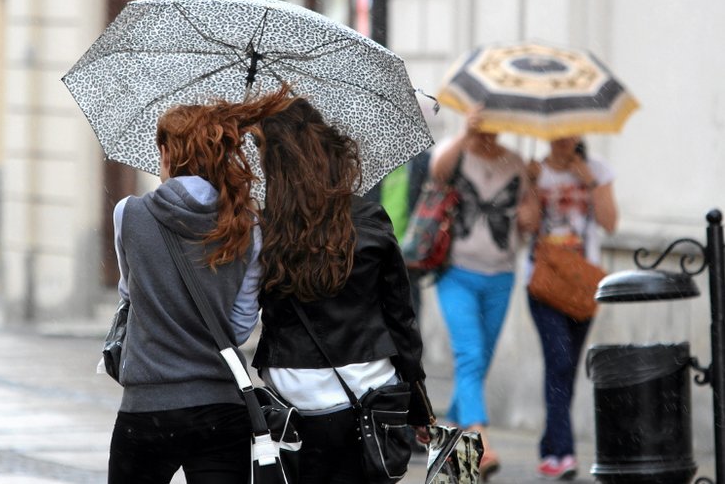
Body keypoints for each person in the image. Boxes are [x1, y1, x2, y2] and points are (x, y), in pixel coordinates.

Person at [247, 86, 436, 484]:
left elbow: (247, 311)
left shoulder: (263, 229)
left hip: (291, 402)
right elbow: (400, 319)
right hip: (368, 399)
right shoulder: (370, 220)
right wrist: (419, 405)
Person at [107, 103, 263, 484]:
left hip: (147, 406)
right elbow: (241, 328)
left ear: (166, 153)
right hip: (221, 407)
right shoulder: (248, 225)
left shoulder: (129, 213)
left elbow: (131, 293)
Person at [428, 107, 538, 480]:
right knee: (470, 354)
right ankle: (482, 444)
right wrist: (465, 134)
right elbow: (437, 172)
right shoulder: (455, 150)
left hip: (501, 276)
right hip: (455, 271)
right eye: (484, 124)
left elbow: (531, 218)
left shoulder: (517, 163)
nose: (489, 132)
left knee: (478, 362)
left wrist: (529, 210)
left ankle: (448, 451)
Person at [525, 136, 617, 480]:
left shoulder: (597, 171)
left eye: (572, 135)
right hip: (543, 283)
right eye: (558, 135)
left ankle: (550, 446)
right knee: (560, 360)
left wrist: (589, 182)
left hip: (583, 284)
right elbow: (527, 225)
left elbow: (610, 222)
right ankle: (563, 453)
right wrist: (532, 184)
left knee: (568, 367)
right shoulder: (534, 169)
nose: (564, 141)